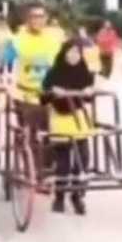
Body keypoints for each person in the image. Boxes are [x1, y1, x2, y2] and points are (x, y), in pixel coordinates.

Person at [0, 3, 64, 178]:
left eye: (41, 16)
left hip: (51, 93)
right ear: (27, 19)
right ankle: (36, 171)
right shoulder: (18, 39)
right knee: (33, 132)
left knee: (57, 131)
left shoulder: (54, 38)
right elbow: (0, 60)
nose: (38, 20)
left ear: (46, 19)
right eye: (34, 16)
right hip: (26, 94)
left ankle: (50, 168)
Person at [42, 40, 97, 215]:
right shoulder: (54, 72)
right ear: (64, 53)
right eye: (70, 52)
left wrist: (89, 91)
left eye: (77, 53)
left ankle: (77, 196)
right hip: (60, 118)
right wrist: (53, 91)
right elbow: (43, 96)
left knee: (83, 159)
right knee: (63, 161)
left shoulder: (84, 72)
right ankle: (59, 197)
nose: (74, 56)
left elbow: (90, 94)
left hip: (79, 119)